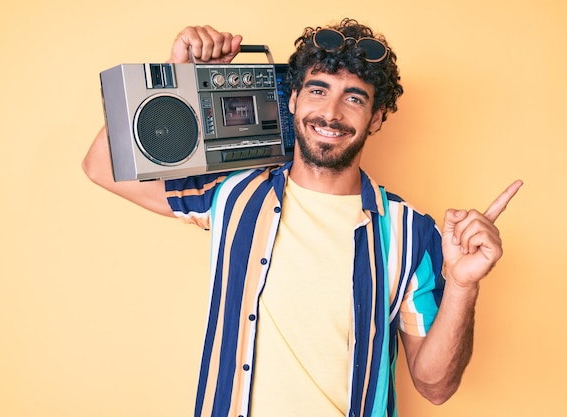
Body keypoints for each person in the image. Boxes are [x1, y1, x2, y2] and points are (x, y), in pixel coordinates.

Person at [82, 18, 522, 417]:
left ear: (376, 119)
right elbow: (101, 165)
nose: (331, 113)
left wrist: (463, 285)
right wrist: (176, 78)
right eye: (317, 89)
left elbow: (436, 386)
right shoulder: (235, 193)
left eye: (354, 98)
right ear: (292, 99)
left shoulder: (412, 233)